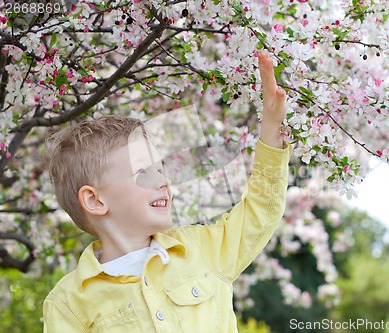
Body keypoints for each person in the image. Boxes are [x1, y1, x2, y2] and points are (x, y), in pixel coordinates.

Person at [42, 52, 293, 332]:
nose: (163, 181)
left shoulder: (201, 250)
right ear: (95, 200)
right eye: (142, 172)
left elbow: (262, 211)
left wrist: (271, 127)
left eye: (160, 169)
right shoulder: (68, 304)